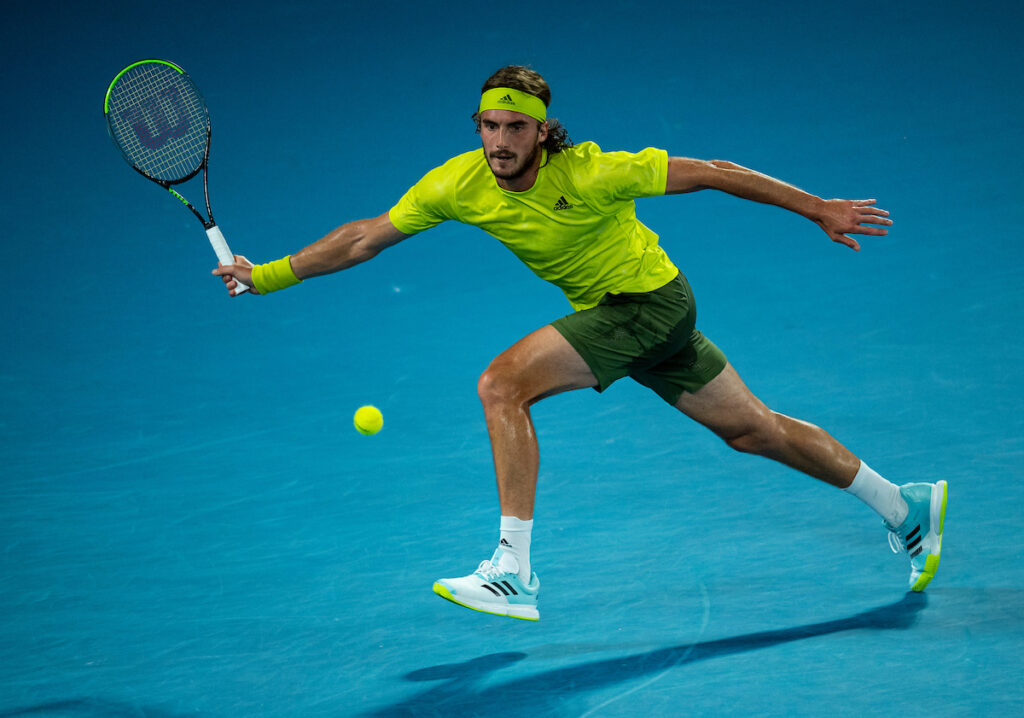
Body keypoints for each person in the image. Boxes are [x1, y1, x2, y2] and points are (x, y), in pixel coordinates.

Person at [213, 65, 947, 621]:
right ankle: (904, 506)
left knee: (502, 384)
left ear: (542, 131)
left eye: (515, 128)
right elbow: (365, 237)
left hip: (650, 305)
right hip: (639, 317)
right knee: (755, 431)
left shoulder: (594, 171)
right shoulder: (457, 183)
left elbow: (716, 173)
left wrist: (818, 207)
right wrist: (269, 275)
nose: (499, 142)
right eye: (488, 126)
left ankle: (512, 569)